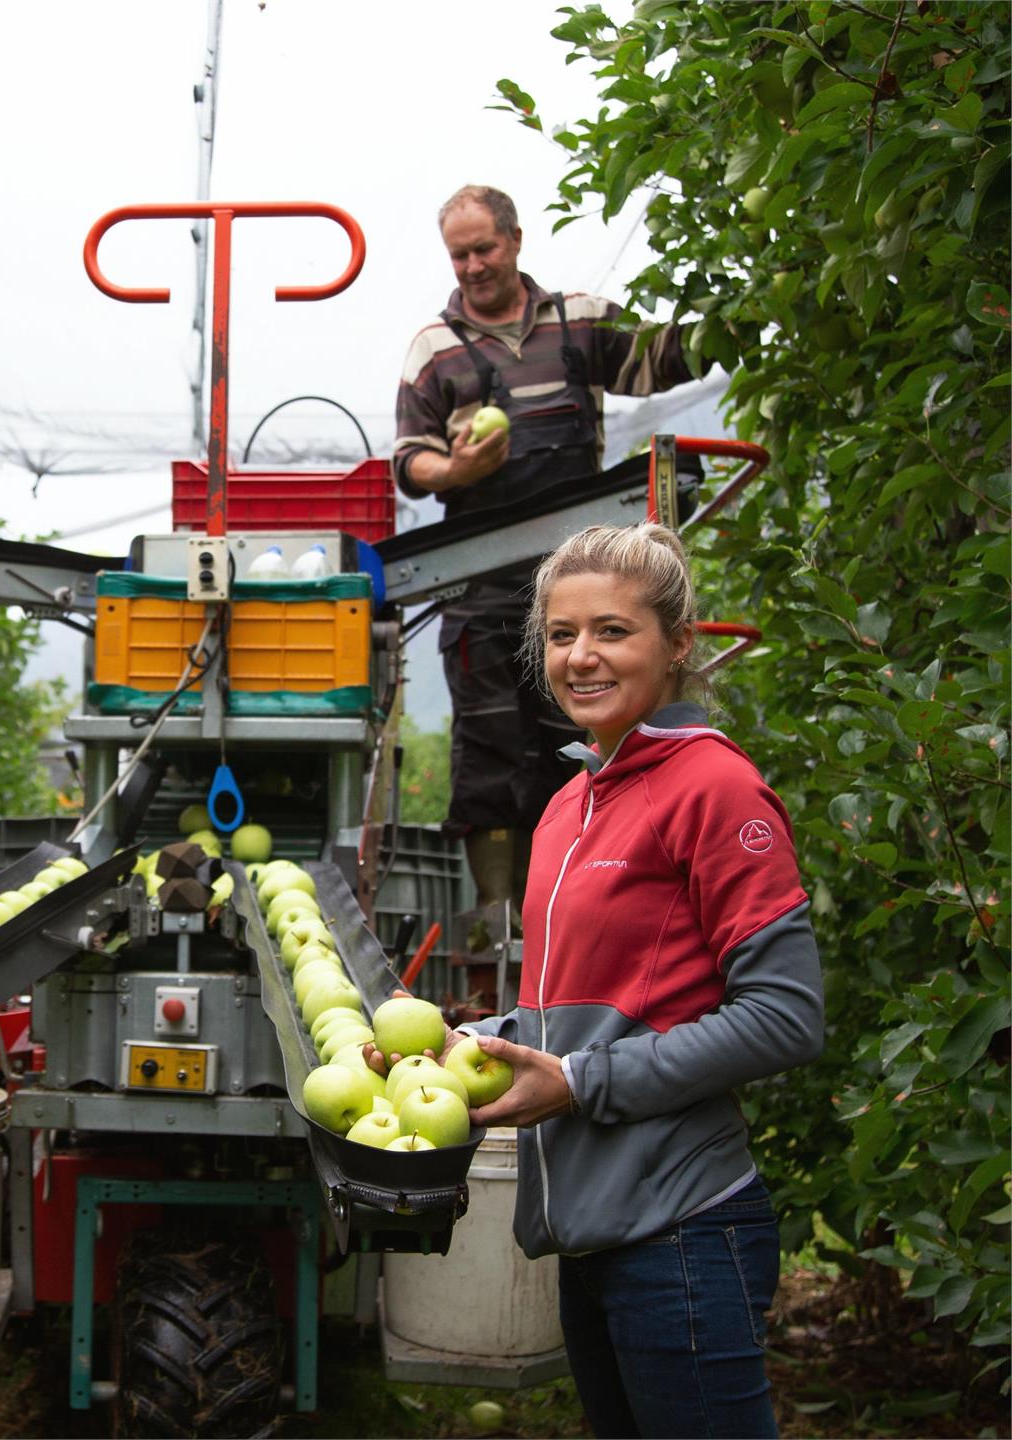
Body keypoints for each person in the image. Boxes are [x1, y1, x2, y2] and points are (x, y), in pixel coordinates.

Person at [370, 523, 825, 1439]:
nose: (582, 656)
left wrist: (578, 1082)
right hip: (591, 1228)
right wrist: (468, 1045)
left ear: (679, 644)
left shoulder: (714, 789)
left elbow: (786, 1016)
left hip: (683, 1226)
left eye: (613, 631)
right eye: (562, 634)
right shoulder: (570, 804)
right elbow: (583, 1003)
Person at [393, 184, 709, 910]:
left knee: (576, 734)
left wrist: (739, 312)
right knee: (489, 744)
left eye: (484, 248)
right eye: (458, 254)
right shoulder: (433, 350)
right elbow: (411, 462)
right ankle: (498, 919)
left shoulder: (579, 321)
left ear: (515, 239)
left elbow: (659, 361)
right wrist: (458, 469)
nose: (472, 266)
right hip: (480, 582)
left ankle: (579, 900)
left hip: (579, 582)